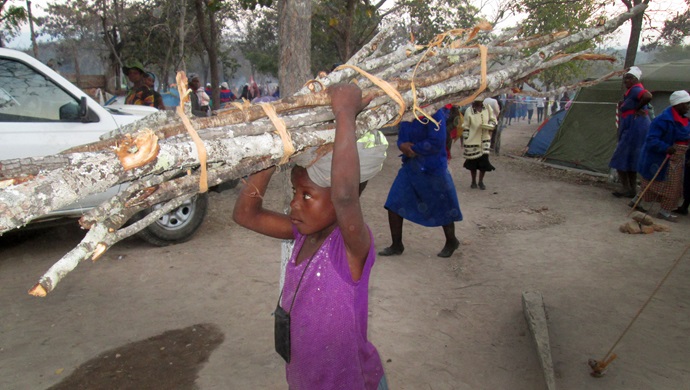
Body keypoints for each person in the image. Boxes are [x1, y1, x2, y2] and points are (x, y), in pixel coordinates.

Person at [232, 83, 387, 389]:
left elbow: (344, 196)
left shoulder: (350, 249)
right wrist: (273, 153)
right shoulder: (302, 235)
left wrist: (345, 112)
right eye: (294, 192)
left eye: (307, 195)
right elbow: (245, 214)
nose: (293, 203)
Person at [378, 106, 463, 258]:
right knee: (394, 203)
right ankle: (397, 245)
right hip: (411, 166)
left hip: (433, 167)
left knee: (444, 206)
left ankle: (451, 241)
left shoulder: (434, 113)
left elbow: (437, 142)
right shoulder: (406, 114)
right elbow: (402, 139)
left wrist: (413, 148)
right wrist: (402, 146)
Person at [632, 91, 690, 221]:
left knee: (668, 185)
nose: (688, 106)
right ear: (677, 104)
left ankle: (639, 201)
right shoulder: (663, 120)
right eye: (686, 104)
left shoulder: (684, 119)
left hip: (678, 159)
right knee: (664, 184)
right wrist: (666, 148)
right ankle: (663, 211)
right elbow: (651, 139)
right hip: (663, 158)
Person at [609, 66, 653, 198]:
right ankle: (631, 189)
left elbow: (647, 96)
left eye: (629, 78)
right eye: (625, 78)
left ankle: (626, 187)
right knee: (630, 158)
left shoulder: (636, 89)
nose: (626, 81)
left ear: (635, 79)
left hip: (634, 127)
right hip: (634, 127)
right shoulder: (631, 92)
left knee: (620, 156)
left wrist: (636, 108)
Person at [462, 97, 497, 190]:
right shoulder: (469, 111)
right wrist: (465, 140)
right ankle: (473, 181)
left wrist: (491, 125)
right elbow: (466, 126)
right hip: (472, 140)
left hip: (485, 139)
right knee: (473, 163)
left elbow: (493, 119)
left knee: (484, 162)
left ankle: (481, 181)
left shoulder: (487, 108)